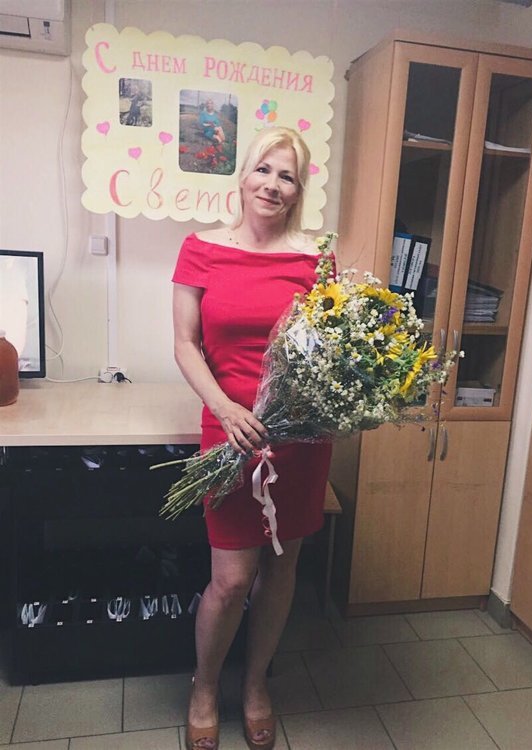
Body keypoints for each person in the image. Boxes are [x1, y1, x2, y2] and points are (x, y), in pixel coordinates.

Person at [172, 126, 333, 750]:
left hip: (298, 437)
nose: (272, 185)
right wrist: (224, 407)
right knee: (232, 579)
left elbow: (327, 353)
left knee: (281, 569)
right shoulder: (200, 249)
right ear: (242, 177)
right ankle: (205, 686)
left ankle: (257, 682)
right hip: (230, 434)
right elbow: (186, 343)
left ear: (298, 191)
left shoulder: (316, 260)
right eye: (263, 170)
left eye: (286, 176)